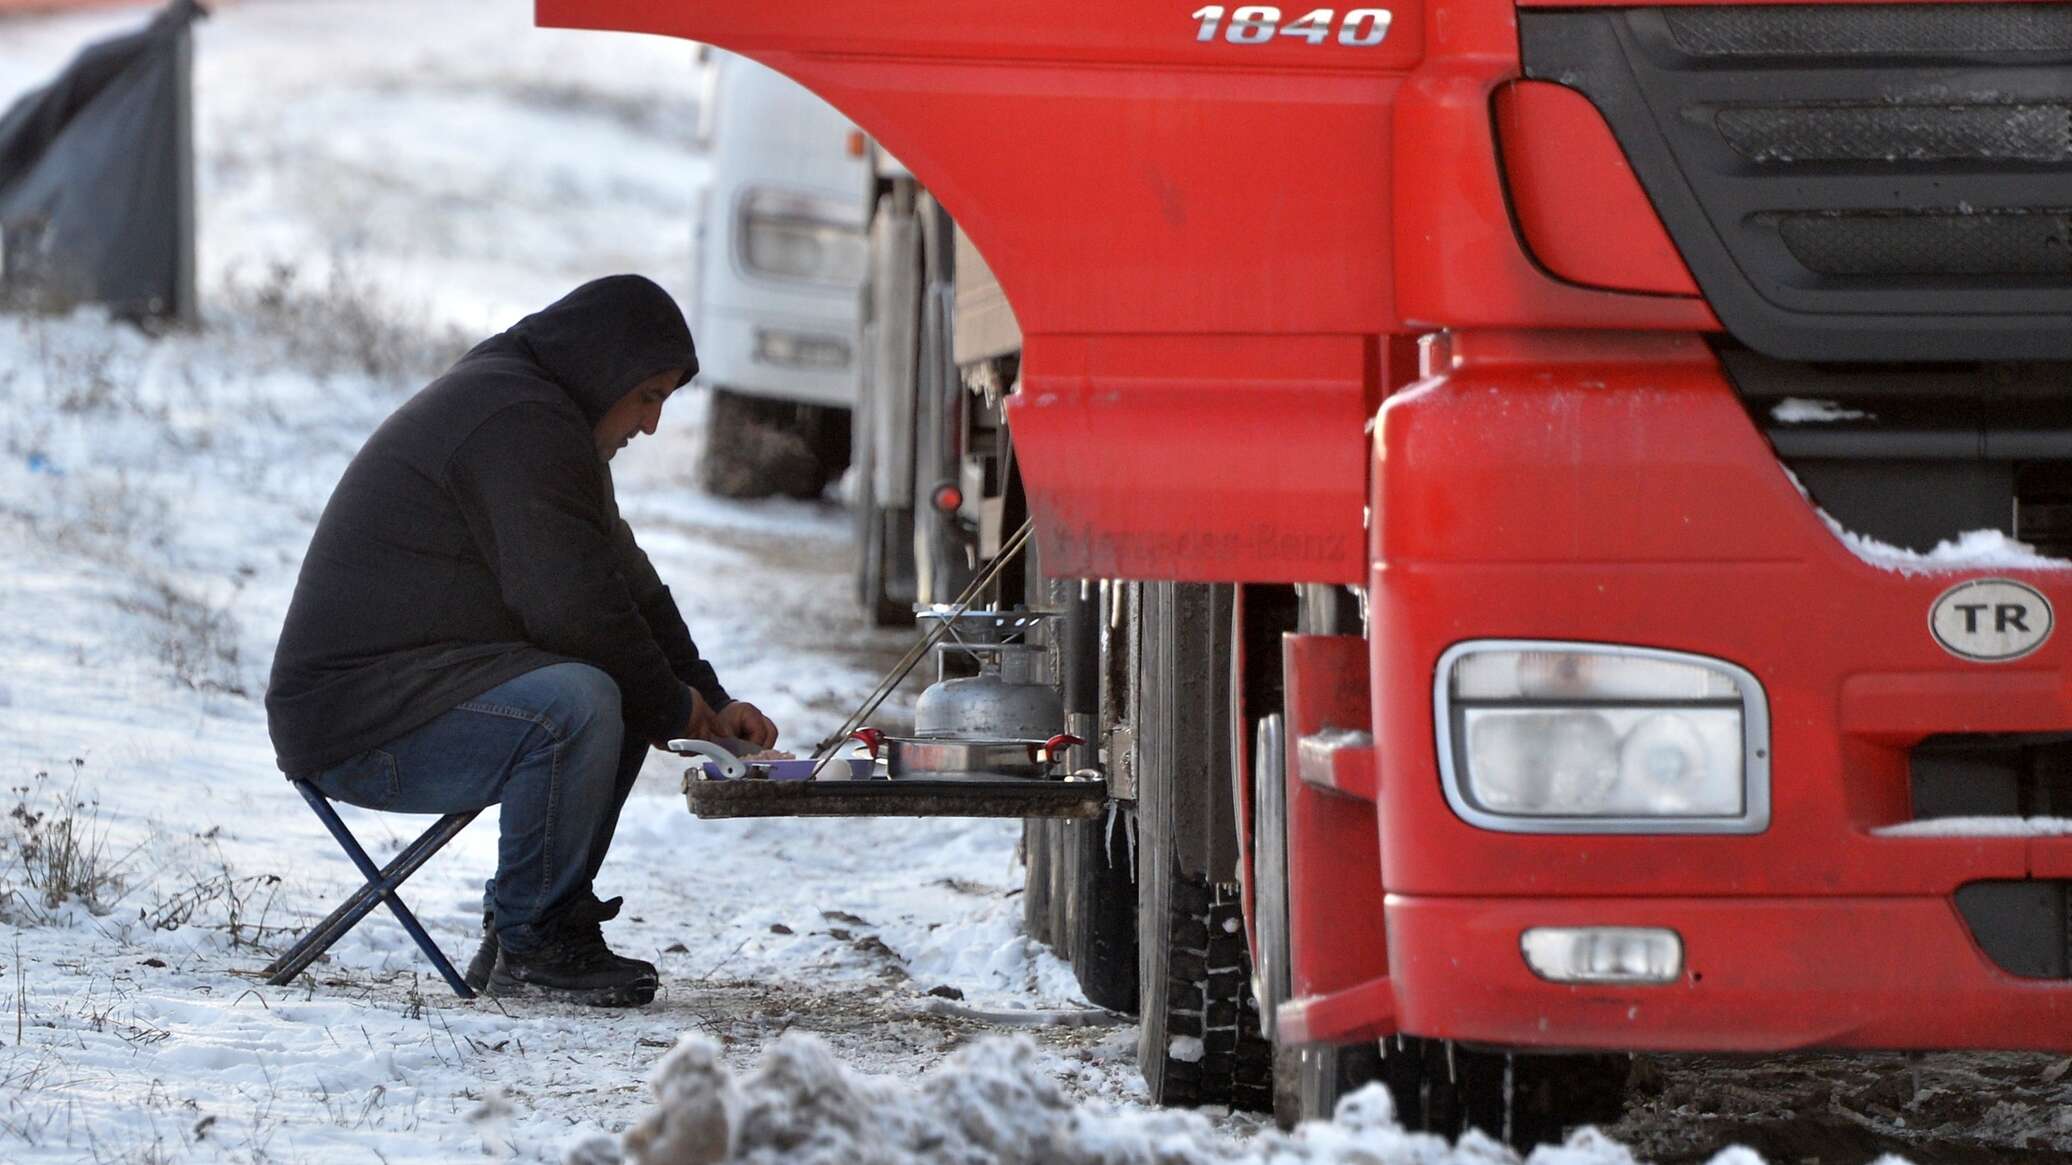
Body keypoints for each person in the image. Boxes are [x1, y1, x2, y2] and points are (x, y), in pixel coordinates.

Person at [266, 275, 777, 1007]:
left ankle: (543, 918)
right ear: (606, 367)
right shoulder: (517, 421)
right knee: (582, 697)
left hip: (411, 697)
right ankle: (536, 939)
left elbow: (624, 583)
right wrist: (677, 707)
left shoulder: (545, 418)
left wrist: (709, 700)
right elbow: (573, 609)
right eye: (649, 396)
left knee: (619, 687)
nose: (652, 425)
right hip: (354, 725)